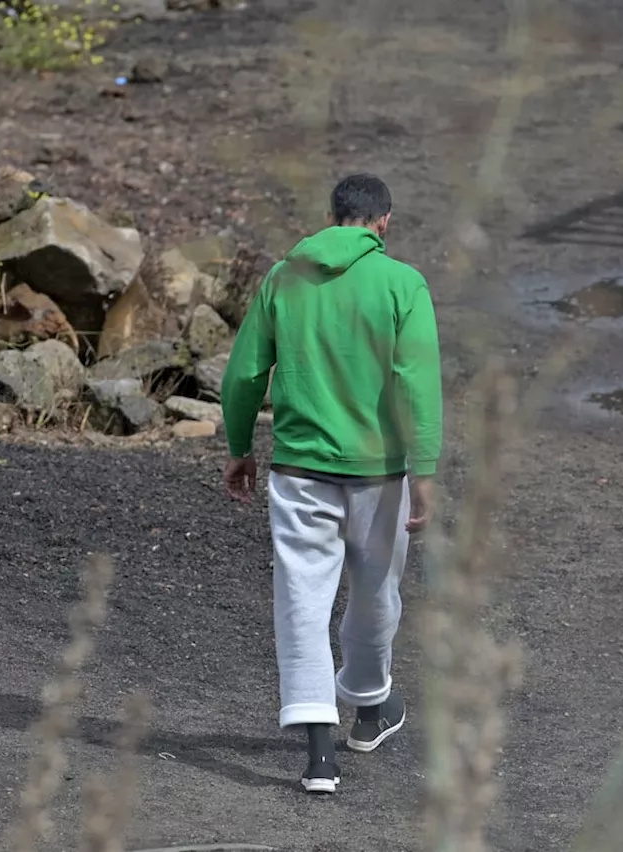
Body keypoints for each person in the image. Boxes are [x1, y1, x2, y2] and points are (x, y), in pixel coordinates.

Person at [220, 173, 443, 794]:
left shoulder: (284, 278)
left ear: (331, 216)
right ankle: (369, 709)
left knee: (301, 599)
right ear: (384, 223)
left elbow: (243, 375)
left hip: (298, 469)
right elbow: (418, 385)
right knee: (377, 594)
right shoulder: (404, 283)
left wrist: (240, 448)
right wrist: (423, 472)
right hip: (379, 472)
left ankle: (321, 756)